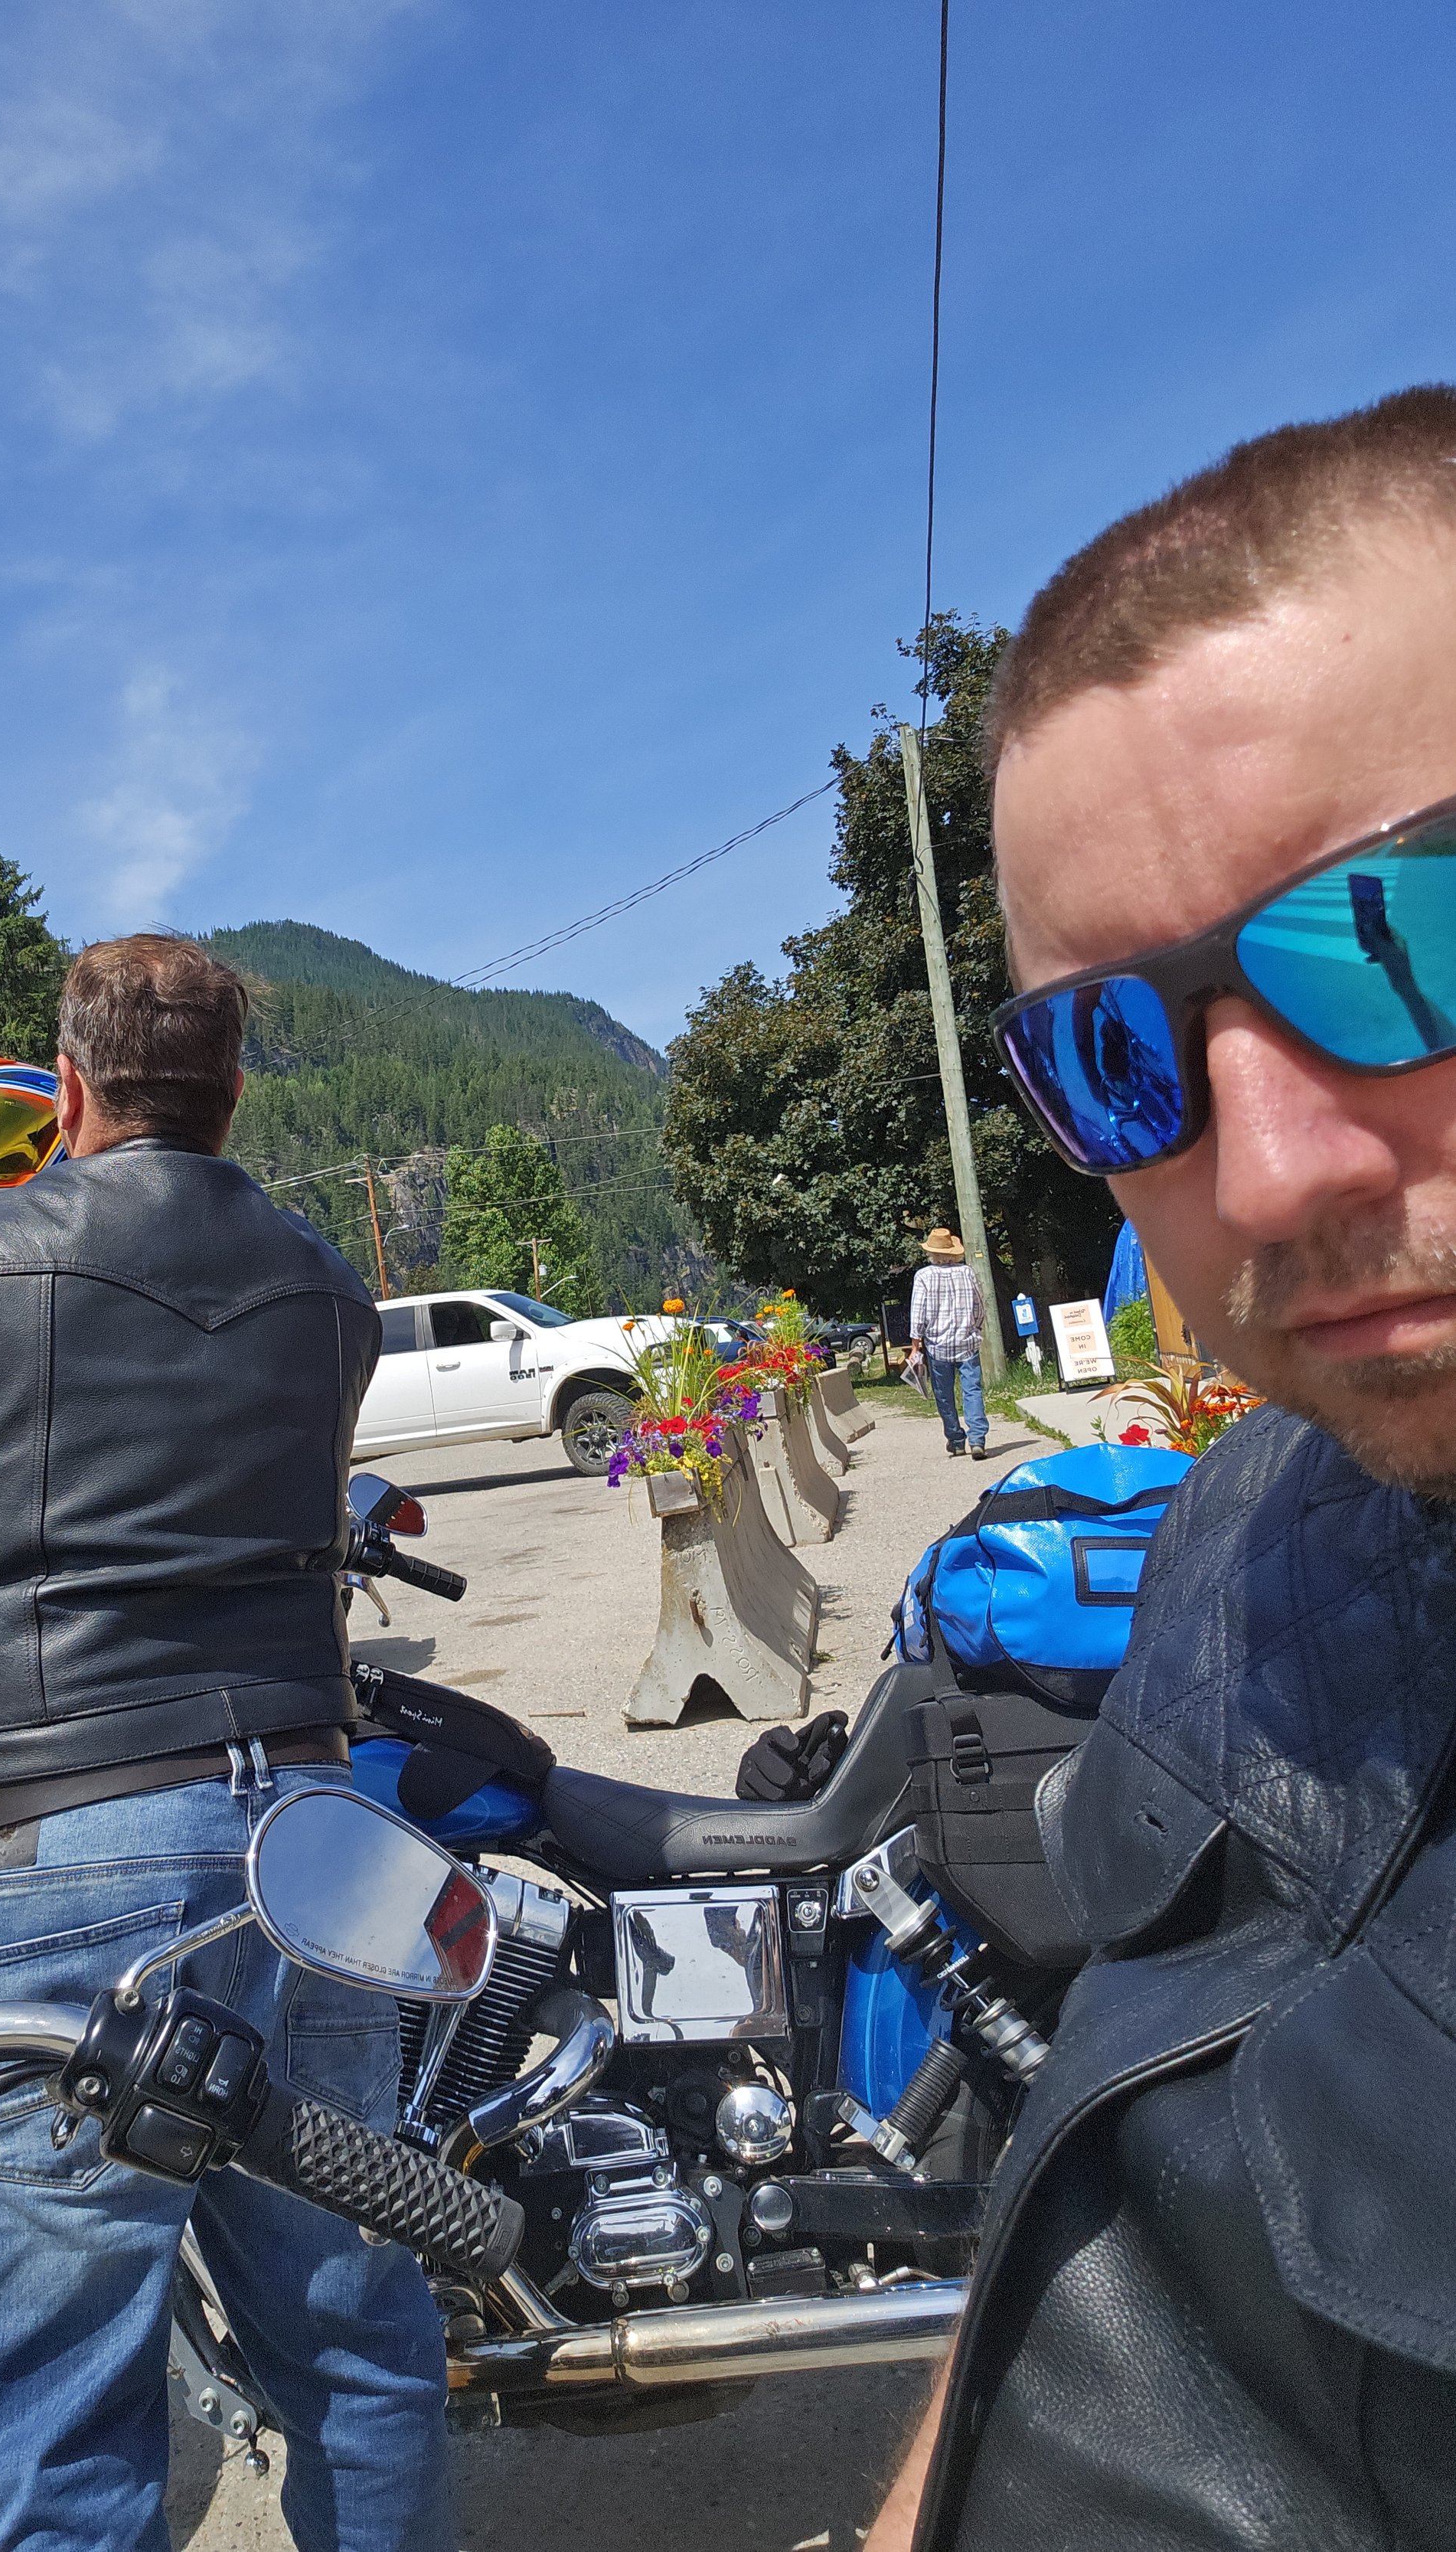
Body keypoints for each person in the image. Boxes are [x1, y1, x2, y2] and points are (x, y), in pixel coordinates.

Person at [865, 386, 1456, 2550]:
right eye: (1113, 1054)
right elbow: (1085, 2188)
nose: (1267, 1170)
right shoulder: (1240, 1526)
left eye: (1395, 938)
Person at [0, 934, 450, 2552]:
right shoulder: (329, 1284)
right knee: (355, 2343)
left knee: (54, 2403)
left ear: (70, 1090)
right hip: (316, 1840)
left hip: (64, 1847)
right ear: (233, 1093)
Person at [908, 1229, 989, 1460]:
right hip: (967, 1342)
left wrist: (916, 1344)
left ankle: (956, 1441)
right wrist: (976, 1328)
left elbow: (918, 1313)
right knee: (972, 1390)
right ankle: (977, 1440)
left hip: (938, 1345)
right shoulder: (967, 1272)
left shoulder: (924, 1276)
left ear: (932, 1253)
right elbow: (979, 1306)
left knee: (944, 1394)